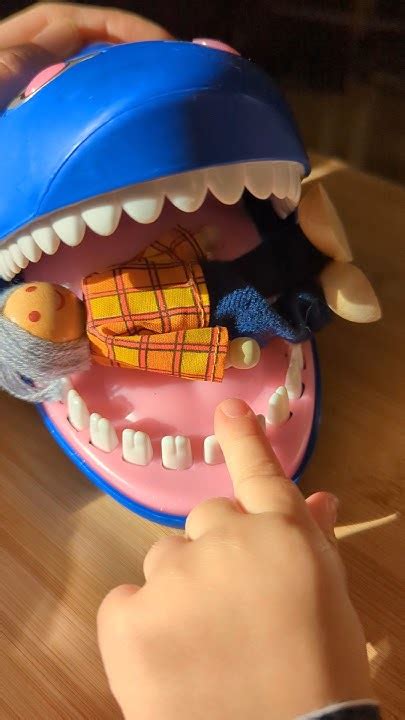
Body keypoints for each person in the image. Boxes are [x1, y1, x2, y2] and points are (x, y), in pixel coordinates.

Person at [0, 5, 380, 719]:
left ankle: (300, 272)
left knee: (260, 290)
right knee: (261, 299)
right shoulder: (91, 328)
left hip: (216, 292)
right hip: (212, 311)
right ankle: (301, 291)